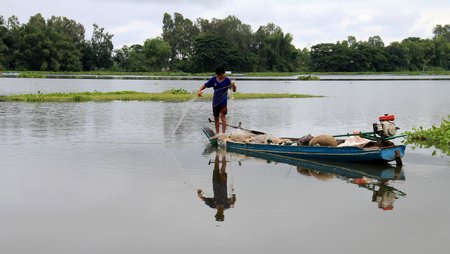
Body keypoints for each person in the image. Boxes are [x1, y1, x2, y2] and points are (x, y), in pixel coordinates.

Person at [197, 66, 237, 136]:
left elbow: (234, 90)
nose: (219, 76)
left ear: (223, 74)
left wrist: (234, 85)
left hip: (223, 101)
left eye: (221, 75)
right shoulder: (213, 79)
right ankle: (217, 134)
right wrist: (199, 90)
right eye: (218, 75)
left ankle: (223, 134)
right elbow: (205, 85)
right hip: (215, 101)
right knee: (216, 118)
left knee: (223, 117)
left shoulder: (227, 80)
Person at [197, 154, 236, 222]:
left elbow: (204, 199)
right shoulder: (227, 205)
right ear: (223, 214)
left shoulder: (213, 205)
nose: (219, 213)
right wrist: (233, 197)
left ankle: (217, 155)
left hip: (215, 183)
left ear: (216, 214)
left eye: (218, 214)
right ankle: (224, 155)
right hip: (223, 183)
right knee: (222, 170)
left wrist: (199, 195)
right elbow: (234, 199)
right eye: (220, 214)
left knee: (216, 168)